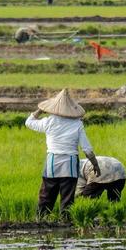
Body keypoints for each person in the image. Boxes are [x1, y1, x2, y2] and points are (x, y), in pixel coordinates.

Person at [25, 88, 100, 218]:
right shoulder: (77, 124)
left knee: (46, 195)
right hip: (69, 165)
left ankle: (40, 220)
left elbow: (28, 122)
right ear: (71, 109)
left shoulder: (49, 121)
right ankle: (66, 223)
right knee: (67, 197)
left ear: (54, 108)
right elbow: (87, 149)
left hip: (52, 163)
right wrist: (95, 164)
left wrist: (40, 110)